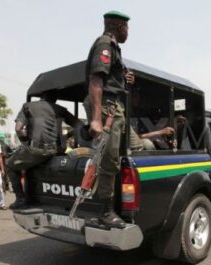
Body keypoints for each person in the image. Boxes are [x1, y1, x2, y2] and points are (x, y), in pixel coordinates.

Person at [82, 10, 133, 228]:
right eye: (127, 28)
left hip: (113, 107)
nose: (128, 33)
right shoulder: (105, 44)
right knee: (108, 161)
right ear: (119, 27)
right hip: (107, 109)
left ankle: (111, 207)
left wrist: (125, 77)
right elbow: (96, 80)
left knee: (115, 159)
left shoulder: (114, 49)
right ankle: (106, 212)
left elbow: (111, 80)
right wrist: (96, 119)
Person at [7, 89, 80, 209]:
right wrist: (66, 136)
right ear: (55, 98)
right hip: (56, 151)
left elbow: (19, 129)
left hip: (36, 150)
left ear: (42, 95)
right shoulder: (60, 109)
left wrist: (25, 143)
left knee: (10, 165)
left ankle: (21, 199)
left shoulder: (28, 106)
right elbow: (79, 125)